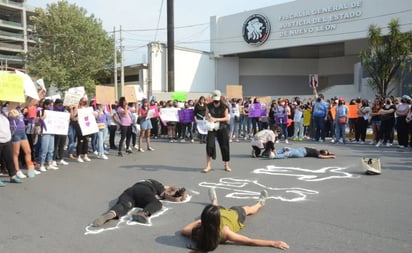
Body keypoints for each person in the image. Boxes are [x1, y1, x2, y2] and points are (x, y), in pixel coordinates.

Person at [180, 188, 289, 252]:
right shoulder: (224, 233)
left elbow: (184, 230)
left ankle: (214, 200)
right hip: (234, 216)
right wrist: (273, 243)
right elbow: (249, 241)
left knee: (214, 207)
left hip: (218, 214)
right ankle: (260, 203)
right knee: (248, 209)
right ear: (217, 222)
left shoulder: (200, 232)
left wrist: (199, 222)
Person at [92, 179, 187, 227]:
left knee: (124, 205)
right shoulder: (158, 185)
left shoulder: (146, 182)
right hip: (143, 192)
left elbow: (169, 191)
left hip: (130, 192)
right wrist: (177, 197)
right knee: (157, 204)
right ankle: (143, 213)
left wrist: (176, 193)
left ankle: (111, 214)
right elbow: (167, 195)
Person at [203, 90, 231, 173]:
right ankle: (208, 165)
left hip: (222, 127)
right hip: (212, 127)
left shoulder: (224, 106)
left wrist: (216, 119)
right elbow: (206, 115)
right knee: (209, 145)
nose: (216, 102)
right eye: (215, 101)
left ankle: (226, 165)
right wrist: (209, 119)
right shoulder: (209, 105)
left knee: (224, 145)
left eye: (217, 101)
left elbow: (226, 118)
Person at [0, 102, 23, 186]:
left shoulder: (4, 111)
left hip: (7, 139)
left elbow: (16, 105)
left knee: (9, 159)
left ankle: (13, 176)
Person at [271, 147, 336, 159]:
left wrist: (330, 156)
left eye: (325, 152)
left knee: (288, 153)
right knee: (285, 148)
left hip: (301, 153)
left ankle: (274, 156)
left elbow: (322, 157)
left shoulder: (317, 154)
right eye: (325, 151)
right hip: (299, 149)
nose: (325, 151)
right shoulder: (317, 150)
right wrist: (331, 153)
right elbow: (328, 153)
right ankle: (275, 153)